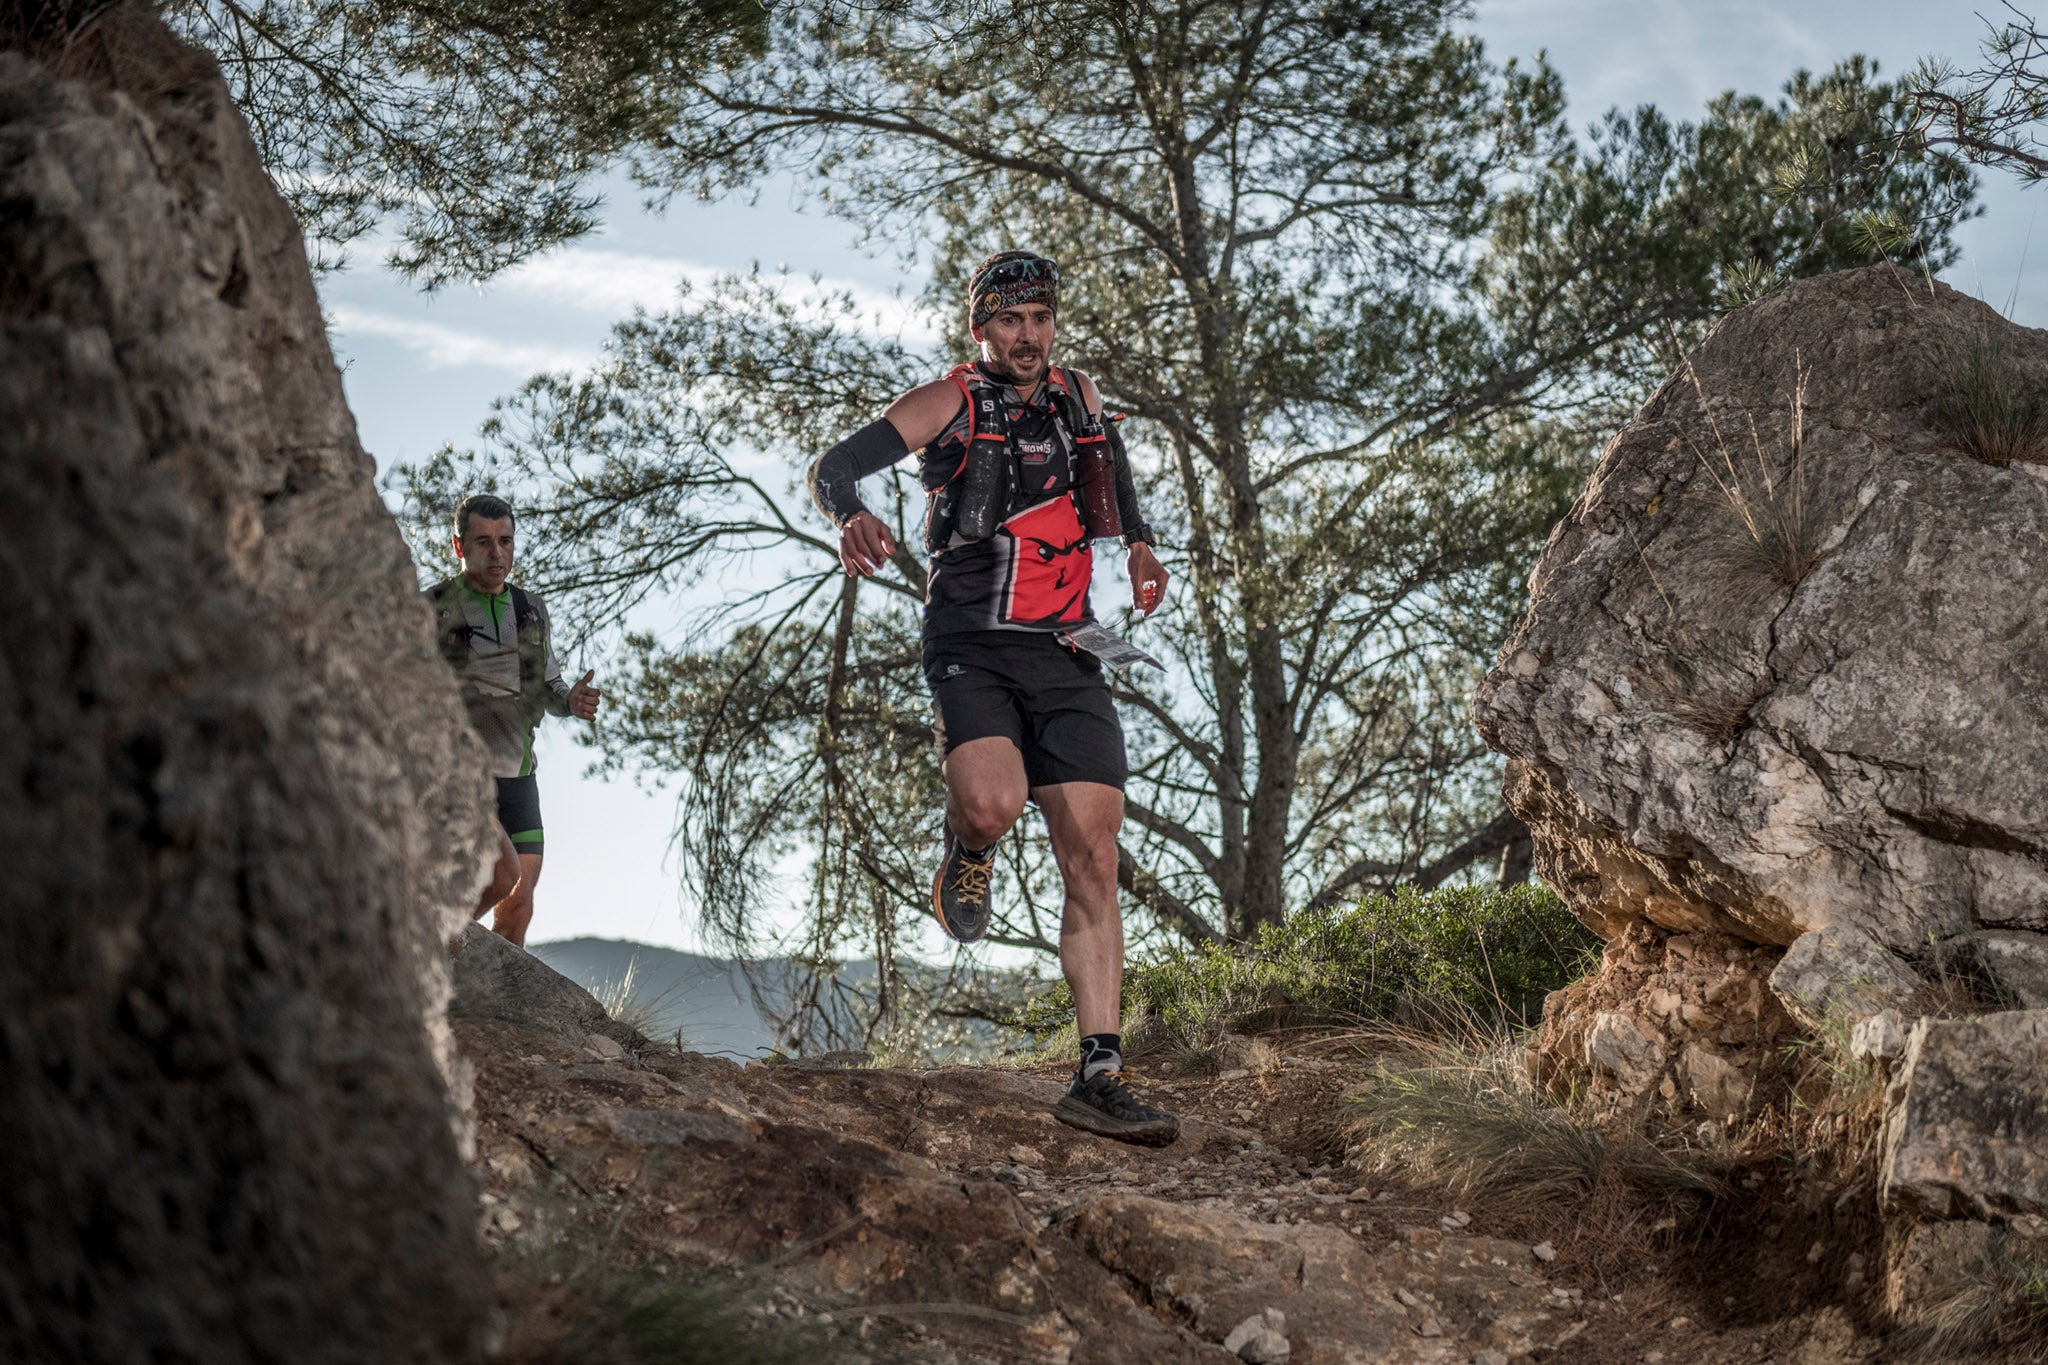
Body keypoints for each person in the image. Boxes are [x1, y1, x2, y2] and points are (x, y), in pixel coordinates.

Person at [807, 250, 1178, 1146]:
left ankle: (1099, 1068)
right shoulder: (951, 402)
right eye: (1010, 320)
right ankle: (967, 847)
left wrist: (1139, 545)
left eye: (1040, 319)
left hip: (1067, 650)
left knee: (1091, 854)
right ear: (981, 327)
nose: (1028, 335)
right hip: (972, 640)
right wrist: (848, 513)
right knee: (992, 801)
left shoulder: (1079, 396)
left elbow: (1115, 474)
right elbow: (836, 464)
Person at [425, 494, 600, 947]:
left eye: (505, 541)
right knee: (503, 871)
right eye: (483, 542)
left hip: (519, 774)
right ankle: (422, 951)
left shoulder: (530, 609)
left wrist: (572, 702)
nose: (497, 553)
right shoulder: (432, 606)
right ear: (459, 547)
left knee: (519, 905)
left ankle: (495, 1009)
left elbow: (550, 683)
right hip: (461, 774)